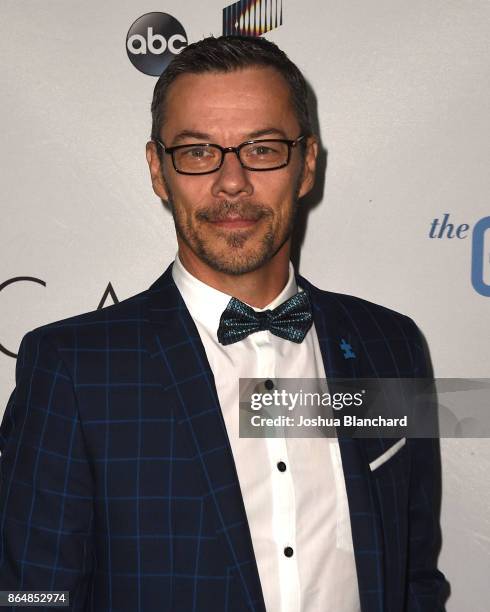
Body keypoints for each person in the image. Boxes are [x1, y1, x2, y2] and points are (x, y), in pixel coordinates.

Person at [0, 35, 449, 611]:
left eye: (262, 149)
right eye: (197, 152)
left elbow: (414, 576)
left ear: (307, 164)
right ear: (158, 171)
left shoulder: (392, 345)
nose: (231, 182)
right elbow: (32, 597)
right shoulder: (74, 369)